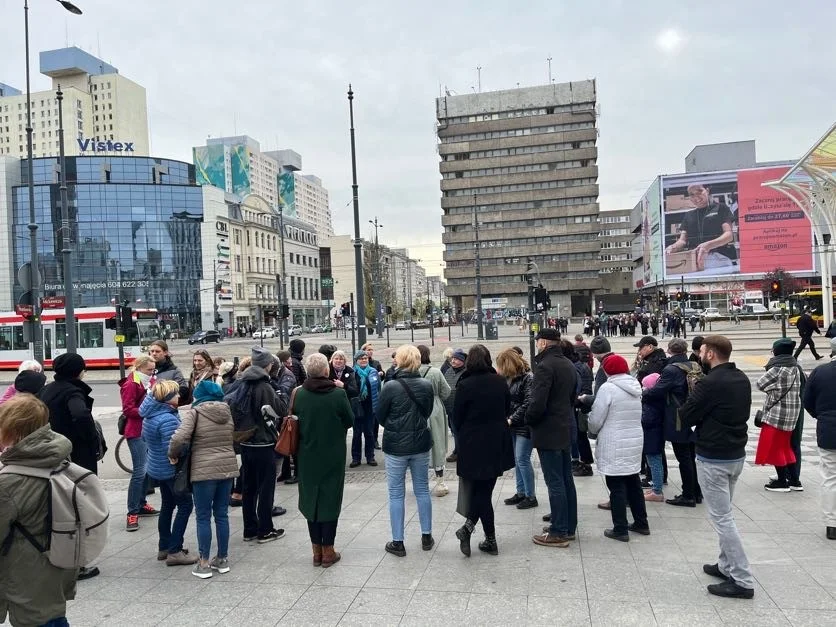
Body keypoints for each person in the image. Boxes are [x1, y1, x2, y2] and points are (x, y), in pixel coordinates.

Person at [679, 335, 755, 599]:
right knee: (725, 512)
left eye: (701, 351)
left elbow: (687, 414)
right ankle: (725, 565)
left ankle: (743, 579)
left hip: (714, 456)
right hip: (736, 454)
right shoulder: (741, 377)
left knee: (723, 518)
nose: (699, 355)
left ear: (710, 353)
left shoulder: (709, 383)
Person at [0, 394, 78, 627]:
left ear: (13, 430)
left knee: (38, 619)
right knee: (51, 616)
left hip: (24, 571)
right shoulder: (55, 456)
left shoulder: (10, 481)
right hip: (55, 557)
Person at [168, 380, 238, 578]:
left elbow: (179, 438)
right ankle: (222, 559)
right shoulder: (226, 411)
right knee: (222, 514)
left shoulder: (195, 412)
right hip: (226, 469)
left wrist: (172, 453)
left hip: (203, 471)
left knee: (203, 516)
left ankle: (204, 562)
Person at [295, 353, 355, 567]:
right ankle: (328, 551)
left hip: (307, 455)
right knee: (331, 499)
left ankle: (316, 552)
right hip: (333, 455)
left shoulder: (298, 394)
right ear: (326, 371)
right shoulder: (338, 394)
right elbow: (350, 420)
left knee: (311, 500)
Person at [453, 344, 513, 556]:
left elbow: (457, 417)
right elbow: (508, 408)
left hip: (472, 444)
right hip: (496, 442)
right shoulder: (499, 381)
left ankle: (472, 530)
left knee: (481, 493)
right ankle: (488, 539)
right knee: (485, 491)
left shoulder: (465, 384)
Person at [377, 345, 435, 557]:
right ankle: (426, 535)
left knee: (396, 493)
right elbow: (427, 411)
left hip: (396, 445)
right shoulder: (426, 385)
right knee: (422, 488)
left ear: (399, 361)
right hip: (420, 442)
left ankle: (398, 541)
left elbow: (380, 415)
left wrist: (394, 425)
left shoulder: (390, 386)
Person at [525, 329, 578, 548]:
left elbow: (538, 403)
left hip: (549, 430)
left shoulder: (545, 366)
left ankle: (558, 532)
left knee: (554, 481)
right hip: (565, 427)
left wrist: (528, 418)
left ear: (544, 343)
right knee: (566, 479)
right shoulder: (567, 364)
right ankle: (567, 525)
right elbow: (572, 396)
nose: (536, 344)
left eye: (537, 342)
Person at [588, 354, 649, 541]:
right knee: (633, 483)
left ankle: (620, 528)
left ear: (608, 370)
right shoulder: (635, 386)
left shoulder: (608, 388)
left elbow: (597, 419)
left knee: (616, 485)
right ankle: (641, 523)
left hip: (614, 441)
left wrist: (590, 426)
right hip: (634, 440)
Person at [228, 346, 287, 543]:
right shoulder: (265, 386)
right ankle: (265, 530)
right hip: (263, 443)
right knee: (266, 488)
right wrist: (282, 394)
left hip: (245, 443)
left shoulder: (240, 383)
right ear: (268, 365)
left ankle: (250, 529)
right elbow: (280, 410)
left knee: (249, 488)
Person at [140, 379, 197, 567]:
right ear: (167, 398)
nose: (179, 396)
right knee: (185, 506)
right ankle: (175, 550)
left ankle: (164, 546)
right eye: (176, 394)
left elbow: (145, 439)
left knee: (167, 506)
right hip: (170, 470)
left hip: (157, 468)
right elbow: (173, 449)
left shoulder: (151, 414)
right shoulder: (167, 419)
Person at [643, 338, 703, 507]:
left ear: (669, 350)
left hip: (677, 418)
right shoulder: (694, 365)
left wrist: (645, 393)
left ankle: (688, 494)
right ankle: (696, 492)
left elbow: (658, 391)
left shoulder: (671, 369)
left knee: (683, 456)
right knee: (690, 456)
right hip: (692, 416)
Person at [756, 338, 805, 492]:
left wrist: (773, 389)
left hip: (777, 415)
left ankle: (782, 482)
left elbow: (760, 384)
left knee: (776, 448)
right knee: (786, 447)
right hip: (792, 415)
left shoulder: (777, 369)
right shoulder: (796, 368)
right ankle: (795, 481)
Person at [38, 353, 98, 475]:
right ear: (77, 371)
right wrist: (91, 436)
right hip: (75, 449)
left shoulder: (46, 389)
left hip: (51, 445)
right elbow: (80, 414)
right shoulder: (72, 391)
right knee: (82, 487)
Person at [120, 355, 159, 532]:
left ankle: (141, 504)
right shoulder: (131, 384)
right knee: (139, 471)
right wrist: (146, 411)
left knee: (146, 471)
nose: (152, 373)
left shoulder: (148, 382)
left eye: (153, 370)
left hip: (148, 429)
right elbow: (128, 409)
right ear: (140, 368)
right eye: (149, 370)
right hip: (136, 431)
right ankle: (132, 512)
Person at [803, 337, 836, 541]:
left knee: (830, 477)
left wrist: (821, 416)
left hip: (828, 429)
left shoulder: (820, 372)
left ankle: (832, 523)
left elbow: (807, 400)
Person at [665, 182, 736, 272]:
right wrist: (672, 247)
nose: (696, 197)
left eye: (699, 192)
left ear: (707, 191)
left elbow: (729, 235)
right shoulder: (688, 216)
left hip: (720, 260)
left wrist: (708, 245)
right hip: (695, 262)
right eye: (692, 194)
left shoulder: (721, 208)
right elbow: (682, 240)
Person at [497, 348, 536, 509]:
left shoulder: (528, 378)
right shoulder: (508, 378)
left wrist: (512, 418)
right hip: (512, 424)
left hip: (523, 425)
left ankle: (530, 496)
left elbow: (528, 402)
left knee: (522, 459)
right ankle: (521, 492)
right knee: (517, 460)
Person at [416, 345, 452, 496]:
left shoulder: (411, 372)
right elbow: (447, 391)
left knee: (418, 444)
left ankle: (420, 482)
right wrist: (437, 399)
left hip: (417, 409)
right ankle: (440, 482)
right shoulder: (436, 372)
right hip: (435, 409)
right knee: (437, 443)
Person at [351, 349, 381, 466]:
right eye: (361, 359)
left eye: (365, 358)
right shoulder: (353, 372)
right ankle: (356, 458)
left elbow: (378, 388)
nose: (363, 360)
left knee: (369, 433)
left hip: (370, 406)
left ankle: (370, 457)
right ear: (356, 360)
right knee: (357, 433)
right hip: (357, 406)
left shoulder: (373, 372)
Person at [640, 372, 666, 502]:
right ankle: (656, 487)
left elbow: (647, 419)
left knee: (654, 462)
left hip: (652, 435)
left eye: (644, 386)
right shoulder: (658, 400)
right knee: (654, 462)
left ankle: (657, 491)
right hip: (655, 435)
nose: (642, 389)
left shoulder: (651, 401)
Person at [148, 340, 190, 405]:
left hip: (165, 409)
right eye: (152, 351)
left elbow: (183, 390)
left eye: (157, 351)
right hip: (145, 407)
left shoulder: (174, 370)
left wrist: (169, 399)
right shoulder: (142, 368)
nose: (154, 354)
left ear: (165, 352)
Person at [442, 348, 467, 462]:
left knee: (461, 432)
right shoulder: (448, 371)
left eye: (456, 359)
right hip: (450, 408)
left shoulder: (466, 373)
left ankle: (459, 452)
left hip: (462, 409)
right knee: (454, 431)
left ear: (462, 361)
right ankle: (458, 450)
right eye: (453, 358)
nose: (453, 361)